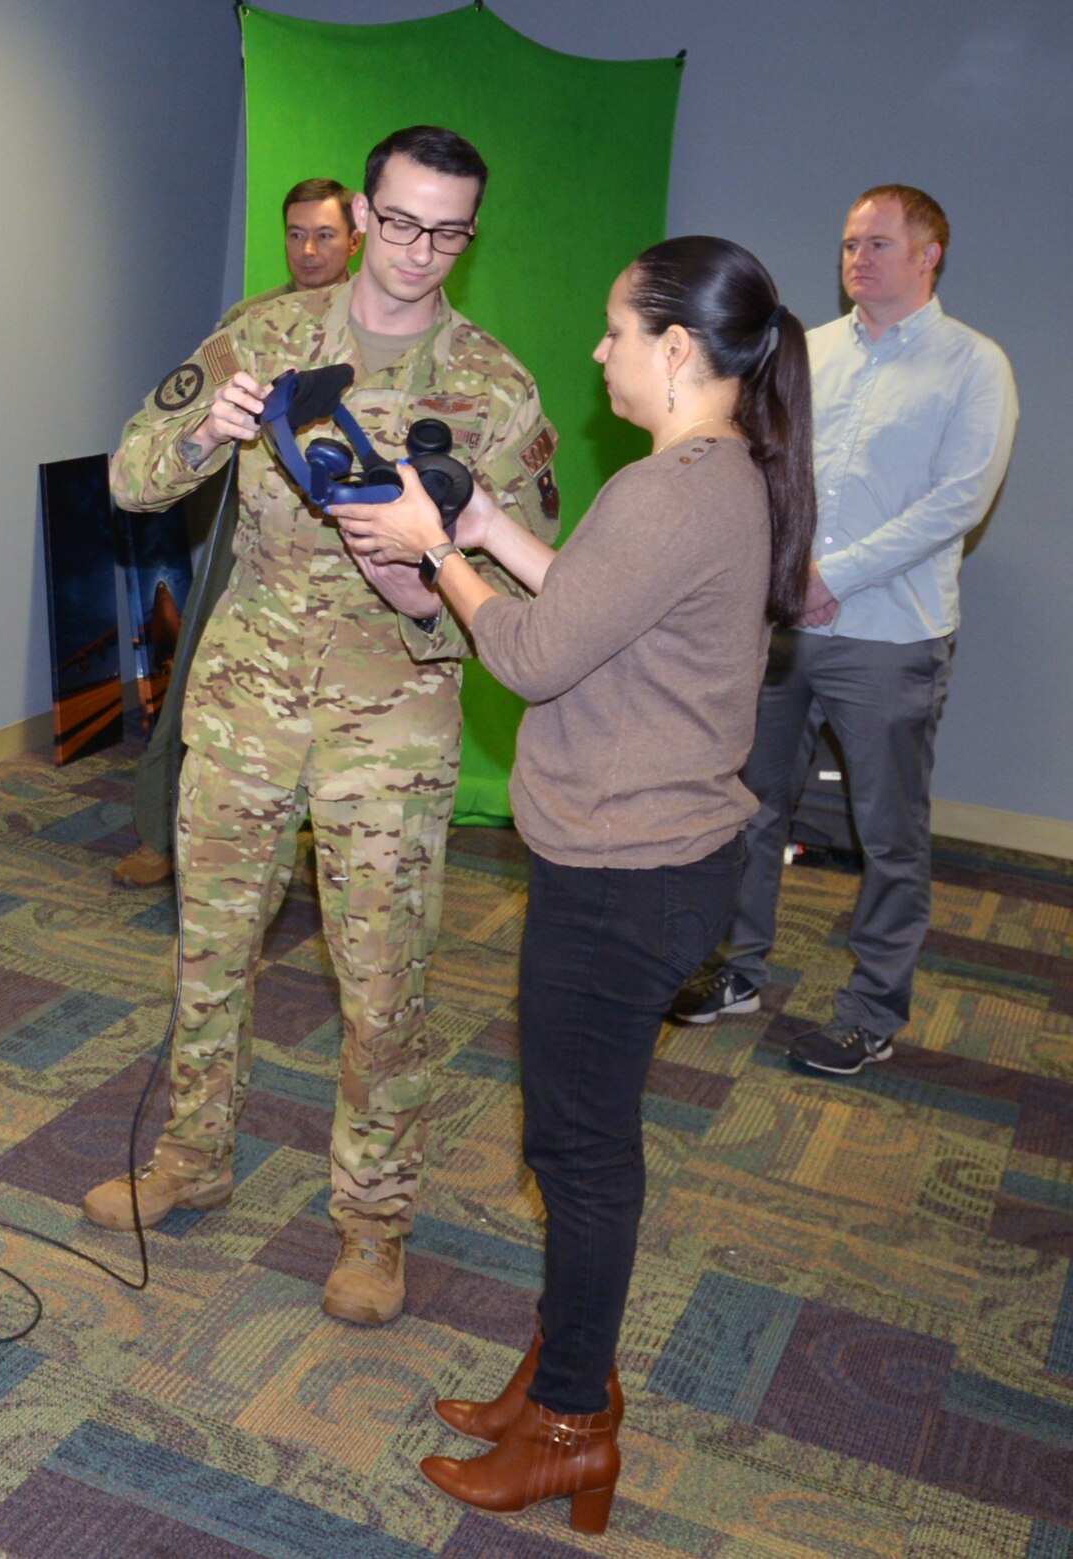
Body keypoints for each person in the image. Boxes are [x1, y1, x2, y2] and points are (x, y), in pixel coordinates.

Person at [332, 234, 815, 1532]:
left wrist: (438, 555)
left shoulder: (673, 489)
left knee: (582, 1155)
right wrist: (488, 524)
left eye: (614, 330)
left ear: (676, 347)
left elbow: (539, 654)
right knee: (574, 1140)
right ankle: (562, 1376)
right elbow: (601, 603)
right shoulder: (721, 475)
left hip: (629, 876)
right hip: (659, 864)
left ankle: (567, 1429)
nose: (598, 351)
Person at [84, 127, 560, 1329]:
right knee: (209, 957)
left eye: (446, 230)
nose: (416, 250)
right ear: (359, 209)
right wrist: (210, 431)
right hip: (244, 706)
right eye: (397, 221)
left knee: (381, 989)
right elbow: (130, 477)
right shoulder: (262, 333)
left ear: (470, 232)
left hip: (390, 721)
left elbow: (527, 597)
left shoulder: (494, 389)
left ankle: (371, 1223)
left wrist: (428, 592)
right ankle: (191, 1160)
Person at [672, 186, 1017, 1077]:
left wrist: (834, 575)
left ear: (929, 254)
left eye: (878, 244)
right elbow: (755, 462)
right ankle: (738, 973)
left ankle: (870, 1012)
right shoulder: (807, 353)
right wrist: (776, 574)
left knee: (889, 837)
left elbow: (959, 502)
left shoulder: (974, 366)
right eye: (848, 244)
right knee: (750, 808)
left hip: (890, 636)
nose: (856, 258)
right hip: (783, 626)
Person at [115, 177, 362, 888]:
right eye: (295, 234)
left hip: (349, 547)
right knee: (198, 666)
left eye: (323, 234)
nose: (308, 250)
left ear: (355, 238)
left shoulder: (383, 330)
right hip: (253, 537)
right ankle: (161, 832)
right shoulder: (252, 323)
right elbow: (168, 428)